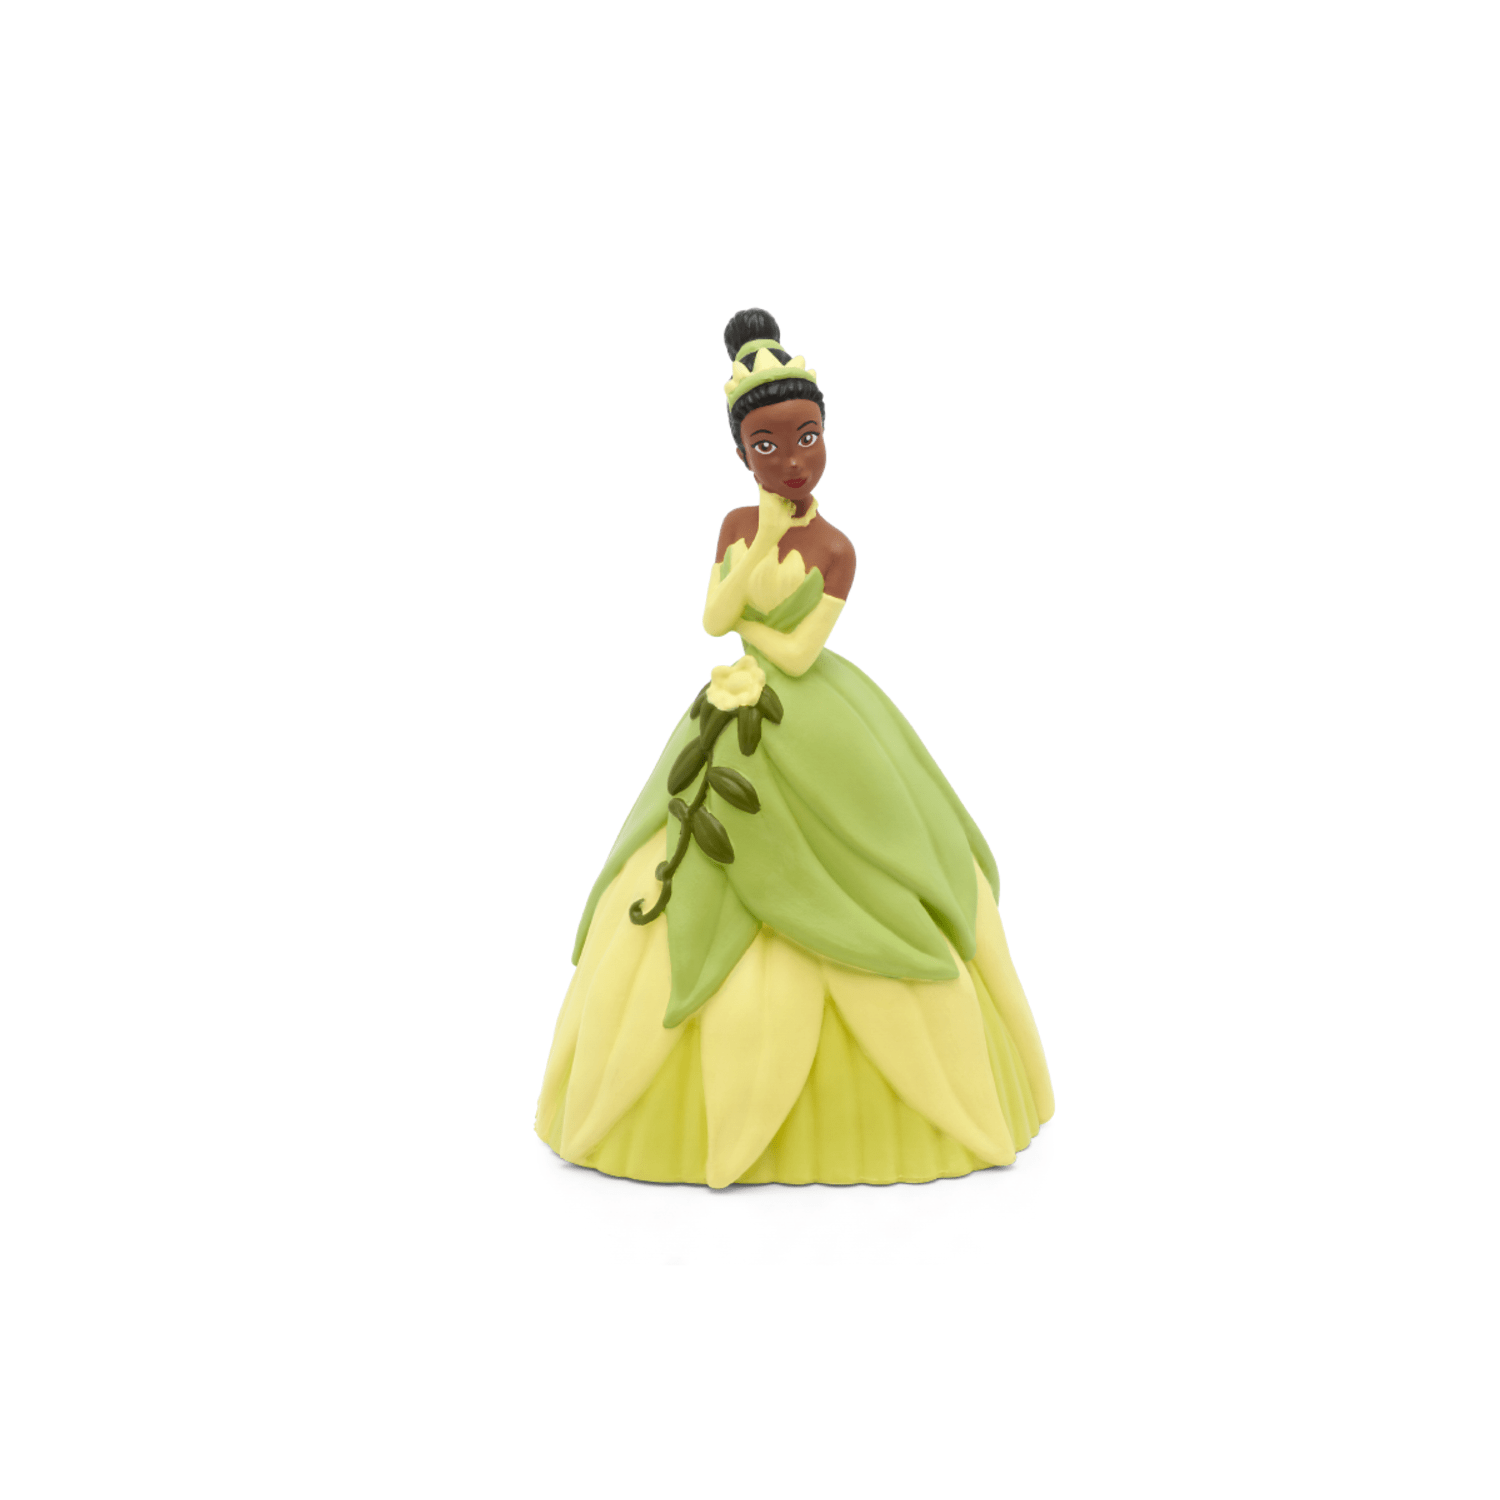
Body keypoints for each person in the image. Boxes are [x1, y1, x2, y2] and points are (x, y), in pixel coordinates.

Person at [534, 309, 1053, 1187]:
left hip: (811, 715)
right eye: (766, 445)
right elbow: (713, 618)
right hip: (732, 703)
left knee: (883, 846)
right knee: (677, 852)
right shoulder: (739, 527)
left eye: (807, 436)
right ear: (742, 454)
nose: (792, 460)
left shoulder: (837, 549)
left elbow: (798, 654)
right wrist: (760, 550)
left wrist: (749, 638)